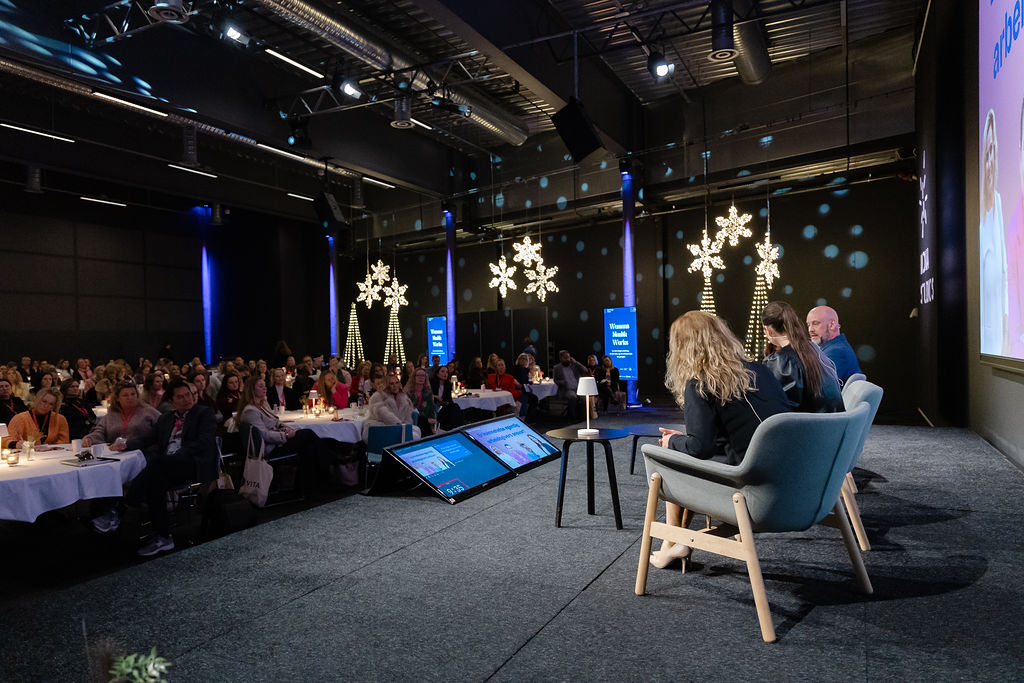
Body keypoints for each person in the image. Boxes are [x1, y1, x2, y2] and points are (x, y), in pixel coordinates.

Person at [652, 311, 791, 568]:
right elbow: (729, 436)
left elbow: (700, 448)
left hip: (752, 492)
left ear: (682, 348)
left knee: (667, 462)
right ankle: (677, 544)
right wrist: (685, 440)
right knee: (684, 453)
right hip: (792, 483)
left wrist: (672, 442)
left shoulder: (700, 384)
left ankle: (672, 543)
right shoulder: (761, 371)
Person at [125, 378, 218, 556]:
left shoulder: (203, 413)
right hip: (168, 466)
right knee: (155, 483)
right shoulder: (166, 418)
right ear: (172, 401)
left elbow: (204, 442)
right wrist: (127, 445)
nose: (187, 400)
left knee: (156, 462)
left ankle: (127, 503)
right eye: (181, 397)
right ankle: (164, 537)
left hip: (193, 463)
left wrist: (180, 454)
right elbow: (148, 439)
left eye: (188, 395)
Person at [236, 376, 327, 493]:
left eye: (264, 385)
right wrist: (285, 436)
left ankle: (309, 484)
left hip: (277, 440)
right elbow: (263, 435)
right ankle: (327, 466)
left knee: (308, 447)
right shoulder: (250, 411)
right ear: (251, 390)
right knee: (307, 435)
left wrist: (286, 428)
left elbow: (275, 422)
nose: (265, 388)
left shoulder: (263, 404)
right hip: (270, 447)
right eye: (260, 386)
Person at [762, 301, 843, 413]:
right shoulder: (813, 348)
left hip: (807, 427)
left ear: (768, 331)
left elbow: (779, 411)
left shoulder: (782, 361)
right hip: (833, 425)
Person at [981, 109, 1010, 355]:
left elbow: (1003, 275)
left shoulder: (999, 203)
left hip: (999, 338)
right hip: (986, 332)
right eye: (986, 153)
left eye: (993, 152)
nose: (990, 161)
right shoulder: (980, 218)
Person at [83, 380, 160, 448]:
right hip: (115, 453)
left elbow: (162, 429)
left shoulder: (149, 412)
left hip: (143, 453)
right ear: (117, 398)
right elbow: (100, 431)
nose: (130, 397)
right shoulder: (111, 414)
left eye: (133, 394)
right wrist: (90, 439)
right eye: (125, 395)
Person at [806, 305, 863, 384]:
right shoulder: (836, 347)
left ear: (832, 325)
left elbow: (819, 388)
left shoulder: (836, 352)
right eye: (808, 325)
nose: (810, 330)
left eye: (815, 323)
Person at [552, 350, 587, 418]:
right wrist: (562, 382)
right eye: (565, 358)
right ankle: (572, 417)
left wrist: (576, 362)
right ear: (561, 359)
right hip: (566, 389)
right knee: (572, 397)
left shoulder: (574, 365)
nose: (567, 359)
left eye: (568, 357)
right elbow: (555, 380)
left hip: (578, 388)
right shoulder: (557, 368)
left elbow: (585, 370)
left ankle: (583, 417)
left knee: (583, 398)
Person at [429, 365, 463, 430]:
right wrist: (436, 397)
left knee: (455, 406)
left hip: (442, 406)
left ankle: (458, 428)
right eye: (442, 372)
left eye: (447, 372)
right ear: (437, 374)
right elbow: (427, 395)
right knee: (454, 408)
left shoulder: (448, 385)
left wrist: (445, 402)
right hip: (433, 405)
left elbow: (448, 398)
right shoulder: (432, 382)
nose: (445, 374)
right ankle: (457, 428)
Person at [406, 367, 438, 434]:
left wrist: (432, 423)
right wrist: (426, 420)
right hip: (412, 421)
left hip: (426, 423)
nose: (421, 377)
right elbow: (407, 412)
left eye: (423, 375)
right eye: (418, 375)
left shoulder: (428, 393)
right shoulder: (407, 393)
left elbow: (431, 410)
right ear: (414, 377)